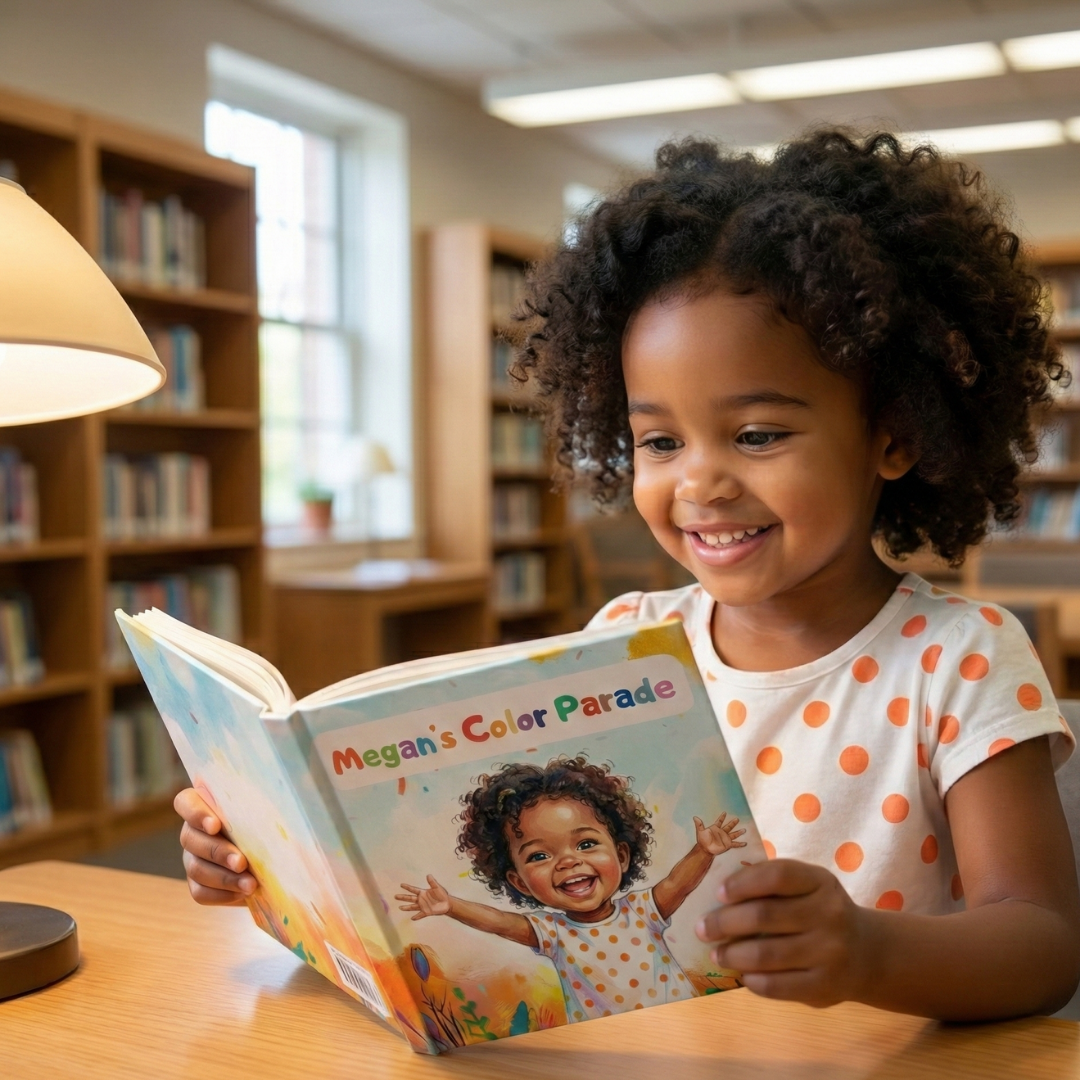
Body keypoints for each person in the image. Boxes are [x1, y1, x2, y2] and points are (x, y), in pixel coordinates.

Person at [176, 129, 1080, 1020]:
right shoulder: (627, 640)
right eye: (659, 441)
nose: (700, 482)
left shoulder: (959, 662)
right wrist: (273, 862)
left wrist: (866, 951)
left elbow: (1041, 943)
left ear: (896, 436)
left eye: (758, 433)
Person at [395, 755, 746, 1022]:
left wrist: (704, 851)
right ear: (519, 882)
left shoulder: (642, 910)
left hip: (685, 1021)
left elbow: (677, 884)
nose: (568, 862)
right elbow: (499, 922)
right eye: (540, 855)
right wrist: (451, 905)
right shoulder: (553, 932)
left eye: (585, 845)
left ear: (622, 855)